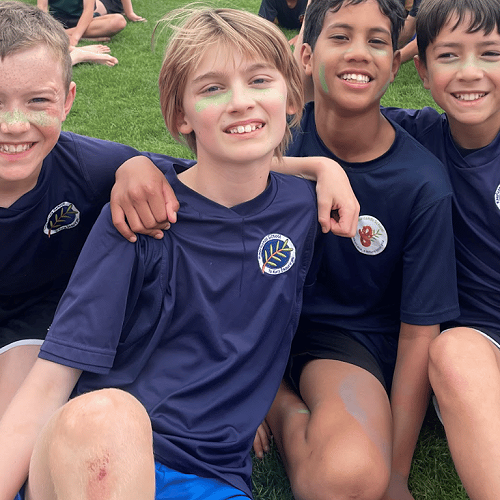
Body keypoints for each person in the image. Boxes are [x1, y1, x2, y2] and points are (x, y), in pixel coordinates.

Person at [0, 6, 342, 500]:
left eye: (258, 80)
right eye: (212, 87)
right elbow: (53, 379)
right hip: (99, 453)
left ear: (291, 96)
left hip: (212, 476)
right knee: (109, 413)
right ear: (180, 114)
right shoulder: (138, 214)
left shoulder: (307, 209)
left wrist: (324, 168)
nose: (240, 101)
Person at [252, 0, 459, 499]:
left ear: (394, 65)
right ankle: (262, 387)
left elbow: (418, 335)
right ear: (306, 56)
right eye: (341, 36)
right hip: (255, 329)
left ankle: (280, 403)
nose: (359, 52)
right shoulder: (268, 142)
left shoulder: (422, 183)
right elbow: (200, 173)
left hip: (345, 343)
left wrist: (396, 474)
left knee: (348, 476)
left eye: (377, 41)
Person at [0, 0, 185, 421]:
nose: (13, 124)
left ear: (67, 101)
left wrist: (136, 165)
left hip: (36, 322)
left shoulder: (88, 167)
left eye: (37, 101)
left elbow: (210, 177)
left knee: (14, 423)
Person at [380, 0, 500, 497]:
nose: (470, 71)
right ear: (423, 72)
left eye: (490, 53)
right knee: (451, 352)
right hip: (480, 350)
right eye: (449, 55)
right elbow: (316, 113)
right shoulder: (415, 136)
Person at [37, 0, 127, 47]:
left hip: (83, 21)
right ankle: (88, 37)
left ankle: (60, 35)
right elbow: (42, 8)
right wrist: (47, 27)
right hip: (58, 21)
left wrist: (75, 38)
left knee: (119, 21)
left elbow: (88, 11)